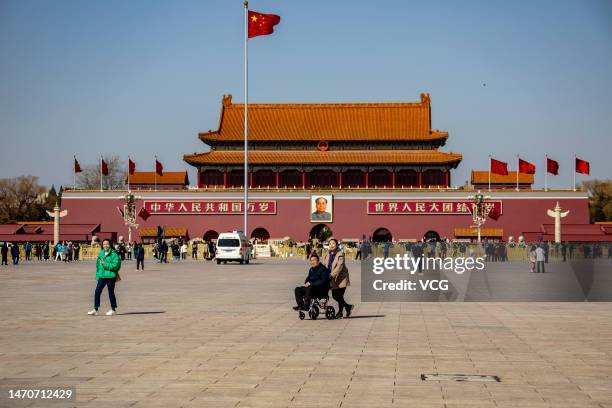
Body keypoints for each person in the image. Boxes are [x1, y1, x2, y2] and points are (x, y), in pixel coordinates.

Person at [88, 239, 121, 316]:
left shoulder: (114, 254)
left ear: (110, 245)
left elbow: (116, 266)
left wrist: (105, 264)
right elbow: (98, 266)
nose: (105, 245)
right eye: (104, 244)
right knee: (97, 291)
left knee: (111, 292)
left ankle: (113, 309)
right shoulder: (101, 253)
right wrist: (97, 275)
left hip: (110, 276)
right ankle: (95, 309)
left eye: (107, 244)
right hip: (102, 276)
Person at [324, 238, 353, 318]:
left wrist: (331, 275)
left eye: (333, 243)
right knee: (336, 295)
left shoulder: (340, 254)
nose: (331, 245)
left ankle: (340, 312)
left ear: (337, 245)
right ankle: (348, 307)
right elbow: (325, 266)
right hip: (333, 278)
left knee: (339, 295)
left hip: (341, 278)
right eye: (330, 244)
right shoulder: (327, 254)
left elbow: (339, 267)